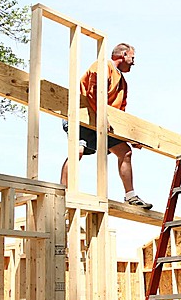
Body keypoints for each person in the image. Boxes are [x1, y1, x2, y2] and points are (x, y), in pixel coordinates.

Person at [61, 43, 152, 209]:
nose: (133, 62)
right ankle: (63, 192)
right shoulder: (103, 66)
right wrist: (102, 117)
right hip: (83, 117)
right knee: (78, 150)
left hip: (103, 123)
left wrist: (131, 138)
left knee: (125, 152)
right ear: (123, 55)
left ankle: (130, 196)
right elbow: (93, 92)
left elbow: (120, 116)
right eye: (132, 57)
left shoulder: (123, 84)